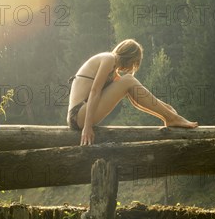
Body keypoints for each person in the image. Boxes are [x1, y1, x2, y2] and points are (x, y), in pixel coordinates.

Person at [67, 39, 198, 145]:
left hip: (81, 116)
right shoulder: (108, 59)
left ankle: (169, 117)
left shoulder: (114, 73)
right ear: (129, 57)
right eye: (134, 63)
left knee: (129, 82)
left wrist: (167, 108)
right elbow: (94, 91)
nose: (131, 68)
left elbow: (137, 94)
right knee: (129, 79)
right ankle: (171, 118)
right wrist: (87, 127)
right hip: (78, 115)